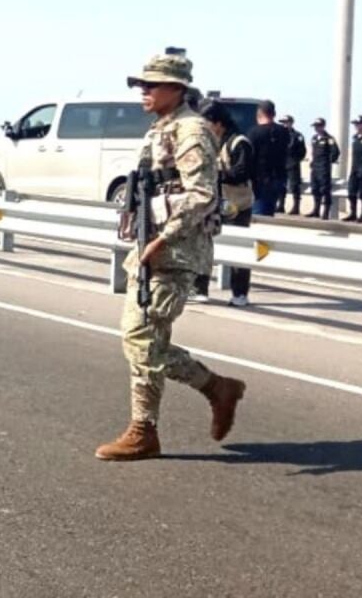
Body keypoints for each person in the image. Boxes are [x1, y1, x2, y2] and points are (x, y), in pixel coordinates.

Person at [95, 50, 246, 461]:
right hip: (151, 245)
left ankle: (149, 427)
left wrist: (164, 240)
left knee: (141, 335)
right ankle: (212, 391)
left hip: (176, 250)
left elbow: (201, 195)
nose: (143, 91)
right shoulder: (162, 128)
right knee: (144, 338)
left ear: (175, 89)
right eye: (141, 84)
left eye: (151, 85)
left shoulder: (191, 130)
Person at [203, 101, 255, 307]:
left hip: (237, 204)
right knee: (203, 245)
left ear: (218, 122)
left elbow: (242, 172)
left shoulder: (239, 142)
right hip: (213, 203)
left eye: (206, 122)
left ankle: (240, 293)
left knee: (238, 250)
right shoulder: (210, 142)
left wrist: (216, 175)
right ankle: (199, 289)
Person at [246, 100, 289, 217]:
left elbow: (248, 158)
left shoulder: (254, 133)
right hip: (279, 178)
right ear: (273, 114)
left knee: (259, 215)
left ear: (259, 114)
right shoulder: (284, 132)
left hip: (260, 181)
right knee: (270, 211)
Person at [306, 118, 340, 220]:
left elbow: (336, 152)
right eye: (315, 126)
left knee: (325, 190)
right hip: (315, 167)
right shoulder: (314, 138)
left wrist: (328, 161)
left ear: (322, 126)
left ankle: (325, 212)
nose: (316, 128)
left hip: (324, 168)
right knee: (315, 188)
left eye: (318, 126)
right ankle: (316, 210)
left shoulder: (328, 139)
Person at [278, 115, 306, 215]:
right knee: (281, 185)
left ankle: (296, 207)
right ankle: (281, 205)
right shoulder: (279, 135)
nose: (284, 125)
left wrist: (295, 160)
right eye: (283, 123)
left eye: (286, 122)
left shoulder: (297, 135)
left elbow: (302, 151)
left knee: (294, 186)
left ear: (291, 123)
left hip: (293, 164)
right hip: (282, 163)